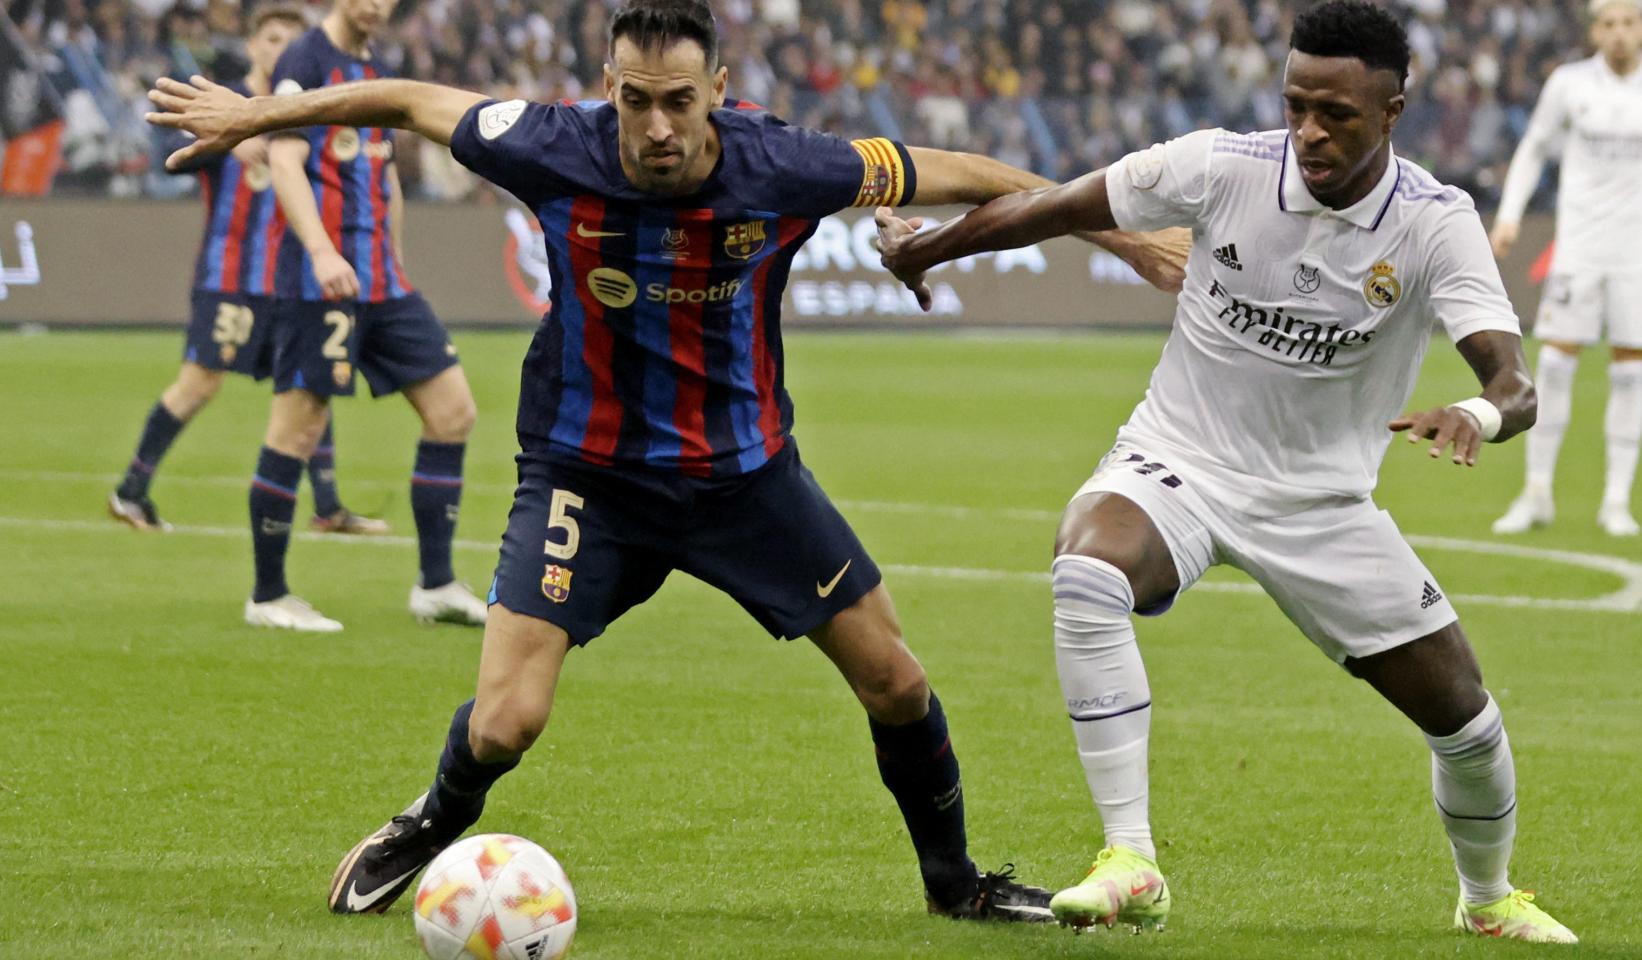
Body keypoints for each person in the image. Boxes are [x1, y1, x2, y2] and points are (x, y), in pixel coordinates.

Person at [144, 0, 1192, 923]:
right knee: (506, 723)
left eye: (678, 101)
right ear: (606, 87)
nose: (654, 125)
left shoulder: (788, 165)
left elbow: (975, 175)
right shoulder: (547, 144)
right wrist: (254, 115)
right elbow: (408, 99)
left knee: (894, 680)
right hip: (584, 477)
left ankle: (953, 882)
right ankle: (426, 824)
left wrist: (1127, 237)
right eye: (635, 98)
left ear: (717, 92)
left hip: (745, 479)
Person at [873, 0, 1577, 943]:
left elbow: (1515, 384)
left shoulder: (1434, 223)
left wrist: (1477, 413)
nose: (1310, 133)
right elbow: (1051, 206)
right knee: (1088, 566)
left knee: (1467, 721)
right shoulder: (1220, 166)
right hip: (1182, 462)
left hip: (1321, 503)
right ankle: (1131, 859)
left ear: (1394, 112)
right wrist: (927, 246)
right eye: (1296, 105)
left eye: (1339, 115)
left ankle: (1488, 900)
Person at [248, 0, 486, 632]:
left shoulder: (372, 65)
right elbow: (284, 161)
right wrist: (323, 251)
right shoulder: (305, 58)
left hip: (383, 282)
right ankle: (268, 594)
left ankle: (435, 585)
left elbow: (385, 176)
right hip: (318, 280)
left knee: (453, 410)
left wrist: (397, 260)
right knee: (298, 429)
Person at [108, 4, 387, 540]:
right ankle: (131, 490)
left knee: (309, 388)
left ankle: (327, 506)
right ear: (255, 46)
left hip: (289, 279)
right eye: (272, 38)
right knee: (199, 384)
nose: (281, 48)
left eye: (291, 39)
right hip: (232, 278)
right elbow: (169, 152)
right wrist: (227, 143)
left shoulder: (305, 108)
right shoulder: (225, 107)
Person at [1488, 0, 1642, 537]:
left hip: (1639, 252)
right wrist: (1510, 217)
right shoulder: (1569, 83)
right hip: (1579, 247)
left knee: (1629, 370)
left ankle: (1616, 501)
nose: (1618, 34)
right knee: (1556, 365)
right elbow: (1534, 147)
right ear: (1596, 30)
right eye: (1608, 24)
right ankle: (1536, 492)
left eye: (1628, 23)